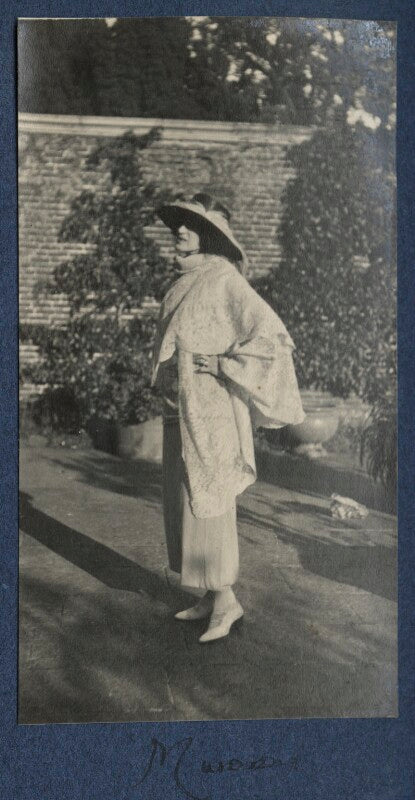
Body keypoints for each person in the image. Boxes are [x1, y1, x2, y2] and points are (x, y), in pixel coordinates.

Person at [152, 193, 304, 643]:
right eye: (178, 223)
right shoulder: (184, 280)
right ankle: (209, 594)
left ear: (212, 234)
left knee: (209, 499)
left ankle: (227, 601)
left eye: (191, 224)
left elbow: (271, 336)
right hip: (181, 409)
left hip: (212, 411)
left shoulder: (222, 279)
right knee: (182, 500)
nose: (180, 230)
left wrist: (223, 364)